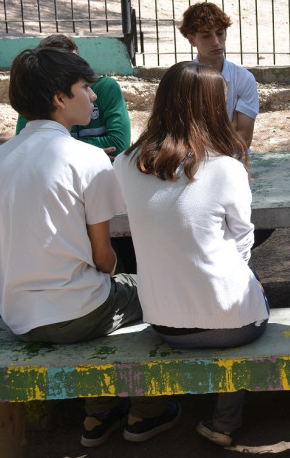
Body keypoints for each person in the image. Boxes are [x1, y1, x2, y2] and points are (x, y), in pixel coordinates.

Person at [0, 46, 178, 448]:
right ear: (59, 98)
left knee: (100, 294)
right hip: (75, 313)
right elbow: (104, 258)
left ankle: (98, 413)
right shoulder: (86, 158)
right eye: (84, 87)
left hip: (16, 314)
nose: (92, 95)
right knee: (156, 291)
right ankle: (146, 410)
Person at [114, 61, 269, 448]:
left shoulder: (125, 164)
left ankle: (149, 411)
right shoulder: (227, 169)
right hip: (233, 325)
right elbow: (243, 243)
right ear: (213, 108)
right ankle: (225, 422)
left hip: (165, 325)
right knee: (250, 298)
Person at [16, 34, 132, 161]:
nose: (93, 96)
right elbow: (26, 146)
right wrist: (85, 152)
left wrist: (59, 149)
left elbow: (119, 143)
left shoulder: (105, 88)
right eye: (66, 65)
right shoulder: (36, 95)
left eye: (76, 62)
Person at [178, 2, 258, 149]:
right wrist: (229, 128)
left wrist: (206, 138)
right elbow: (182, 139)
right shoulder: (182, 81)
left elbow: (244, 140)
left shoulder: (243, 78)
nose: (216, 42)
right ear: (191, 40)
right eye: (206, 36)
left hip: (235, 159)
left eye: (220, 33)